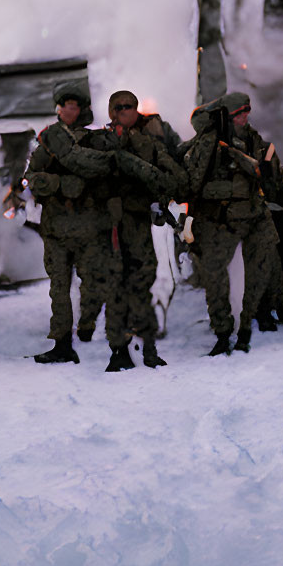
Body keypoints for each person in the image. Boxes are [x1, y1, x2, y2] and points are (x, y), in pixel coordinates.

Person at [183, 91, 280, 355]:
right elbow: (191, 181)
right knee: (215, 277)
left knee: (264, 265)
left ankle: (257, 317)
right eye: (240, 112)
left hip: (254, 213)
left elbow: (270, 173)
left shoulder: (254, 138)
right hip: (220, 219)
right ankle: (223, 332)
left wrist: (272, 173)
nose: (246, 116)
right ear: (228, 115)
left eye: (248, 110)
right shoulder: (210, 142)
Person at [26, 81, 116, 364]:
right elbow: (32, 178)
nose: (69, 110)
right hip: (56, 227)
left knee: (92, 284)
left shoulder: (94, 140)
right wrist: (62, 183)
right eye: (65, 106)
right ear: (58, 108)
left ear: (81, 110)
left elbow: (104, 174)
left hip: (88, 226)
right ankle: (62, 343)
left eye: (74, 106)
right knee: (59, 288)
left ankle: (87, 326)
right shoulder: (48, 140)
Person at [99, 90, 187, 370]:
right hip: (112, 223)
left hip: (138, 221)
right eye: (120, 107)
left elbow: (170, 170)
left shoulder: (148, 139)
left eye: (130, 107)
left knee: (144, 280)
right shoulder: (102, 141)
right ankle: (119, 351)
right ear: (111, 111)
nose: (126, 111)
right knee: (117, 285)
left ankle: (147, 347)